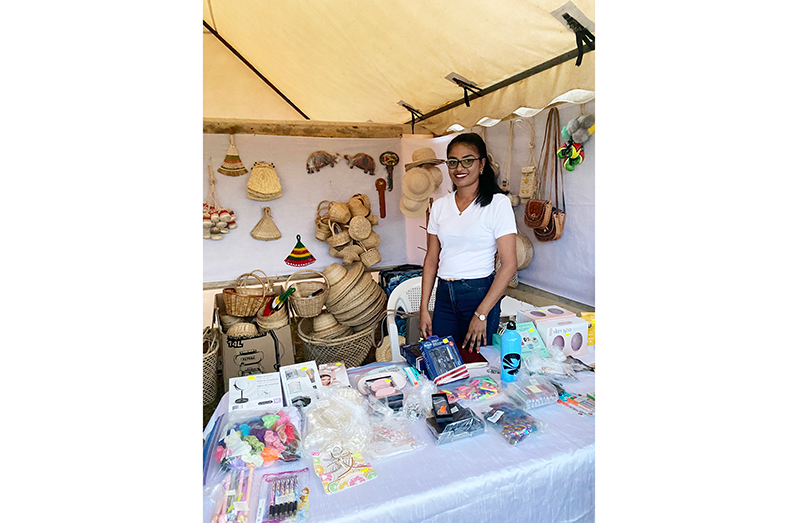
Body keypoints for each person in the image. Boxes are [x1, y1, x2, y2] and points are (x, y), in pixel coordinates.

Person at [419, 133, 518, 353]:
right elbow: (431, 259)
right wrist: (424, 308)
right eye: (452, 162)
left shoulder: (497, 204)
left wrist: (481, 313)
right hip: (444, 296)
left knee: (479, 367)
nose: (459, 168)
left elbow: (509, 264)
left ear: (481, 164)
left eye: (468, 160)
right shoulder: (439, 206)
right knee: (445, 363)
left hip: (479, 293)